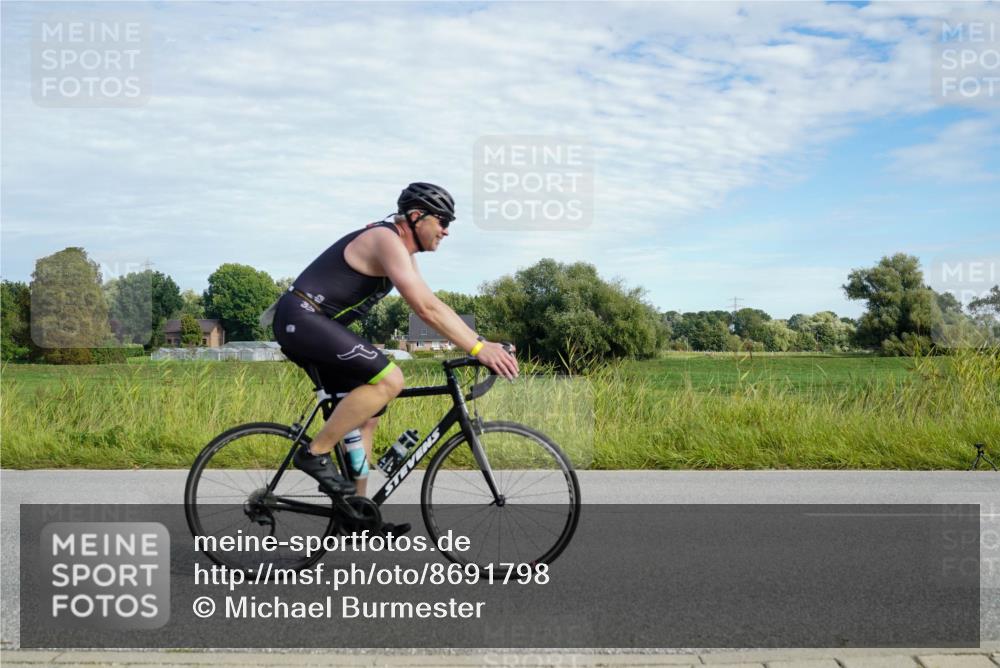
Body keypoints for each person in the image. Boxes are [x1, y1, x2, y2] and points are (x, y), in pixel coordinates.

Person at [272, 182, 519, 533]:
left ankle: (355, 513)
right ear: (417, 217)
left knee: (368, 413)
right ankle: (314, 454)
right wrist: (480, 350)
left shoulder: (403, 253)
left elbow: (435, 304)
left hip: (315, 323)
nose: (446, 231)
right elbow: (424, 309)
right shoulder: (386, 240)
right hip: (302, 318)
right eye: (443, 221)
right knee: (391, 379)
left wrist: (482, 342)